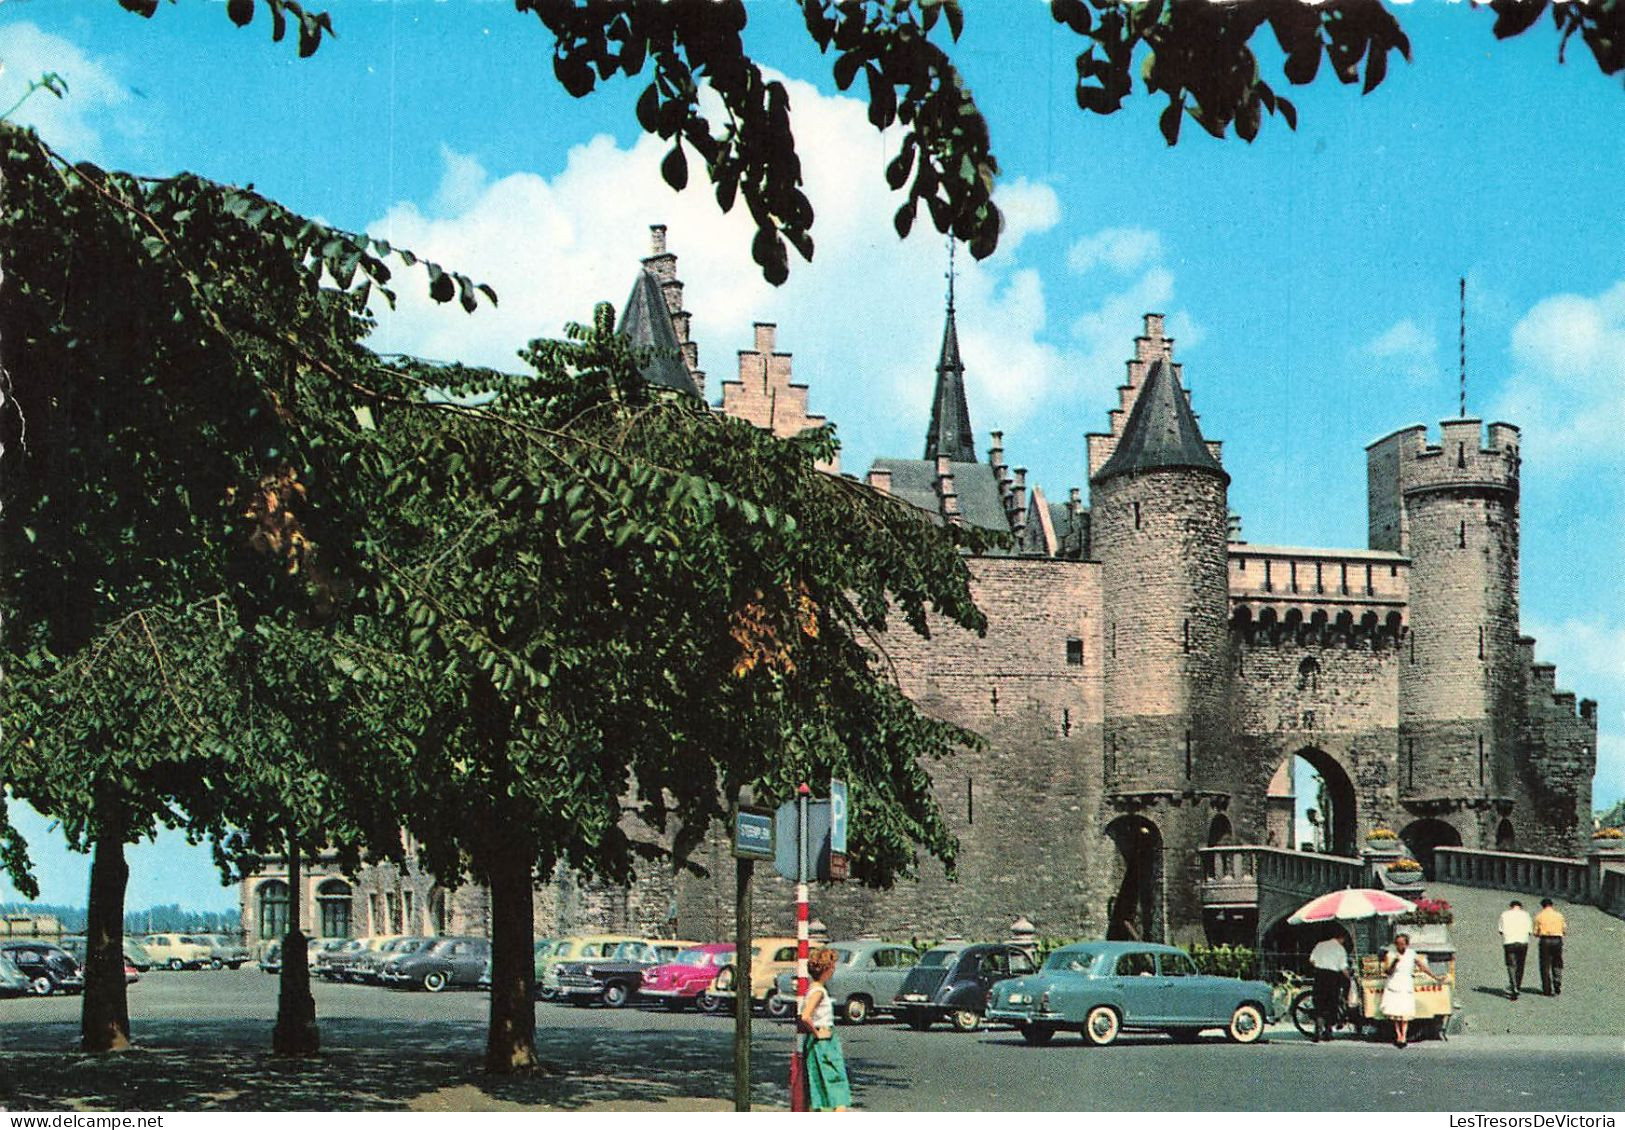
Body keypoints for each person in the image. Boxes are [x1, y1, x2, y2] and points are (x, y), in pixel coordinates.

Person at [799, 947, 851, 1111]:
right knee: (837, 1090)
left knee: (821, 1088)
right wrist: (818, 1033)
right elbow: (806, 1016)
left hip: (818, 1044)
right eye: (832, 966)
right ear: (826, 969)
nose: (834, 969)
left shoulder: (812, 989)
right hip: (824, 1043)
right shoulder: (818, 991)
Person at [1380, 932, 1439, 1048]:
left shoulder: (1411, 954)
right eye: (1397, 944)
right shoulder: (1391, 954)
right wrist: (1395, 962)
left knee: (1405, 1011)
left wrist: (1434, 976)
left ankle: (1404, 1035)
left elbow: (1422, 966)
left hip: (1406, 984)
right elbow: (1387, 972)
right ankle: (1398, 1035)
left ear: (1407, 945)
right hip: (1394, 983)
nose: (1400, 946)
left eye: (1402, 944)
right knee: (1395, 1012)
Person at [1307, 929, 1351, 1041]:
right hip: (1332, 978)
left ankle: (1317, 1030)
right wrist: (1349, 977)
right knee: (1331, 1004)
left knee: (1319, 1003)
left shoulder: (1320, 945)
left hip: (1320, 975)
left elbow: (1312, 960)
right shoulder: (1340, 949)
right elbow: (1343, 968)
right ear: (1342, 938)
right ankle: (1328, 1031)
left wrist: (1321, 964)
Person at [1498, 898, 1532, 1000]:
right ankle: (1518, 985)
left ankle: (1513, 986)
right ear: (1520, 907)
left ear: (1511, 906)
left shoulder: (1504, 915)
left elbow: (1500, 930)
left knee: (1511, 965)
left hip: (1509, 942)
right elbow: (1530, 931)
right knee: (1520, 965)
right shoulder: (1526, 915)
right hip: (1523, 942)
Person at [1533, 897, 1567, 996]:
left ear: (1542, 906)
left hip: (1545, 940)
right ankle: (1557, 981)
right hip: (1557, 940)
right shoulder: (1559, 916)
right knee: (1557, 961)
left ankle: (1546, 989)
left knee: (1545, 964)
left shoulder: (1539, 916)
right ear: (1552, 905)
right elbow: (1564, 930)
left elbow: (1535, 932)